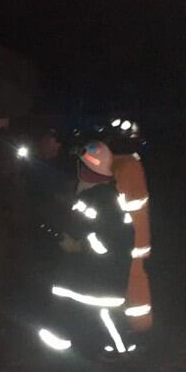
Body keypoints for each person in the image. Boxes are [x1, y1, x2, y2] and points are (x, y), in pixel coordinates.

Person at [36, 140, 152, 356]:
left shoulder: (101, 200)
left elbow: (111, 241)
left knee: (104, 320)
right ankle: (62, 349)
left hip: (98, 283)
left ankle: (121, 354)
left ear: (87, 170)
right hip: (81, 279)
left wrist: (79, 245)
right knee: (66, 310)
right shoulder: (95, 196)